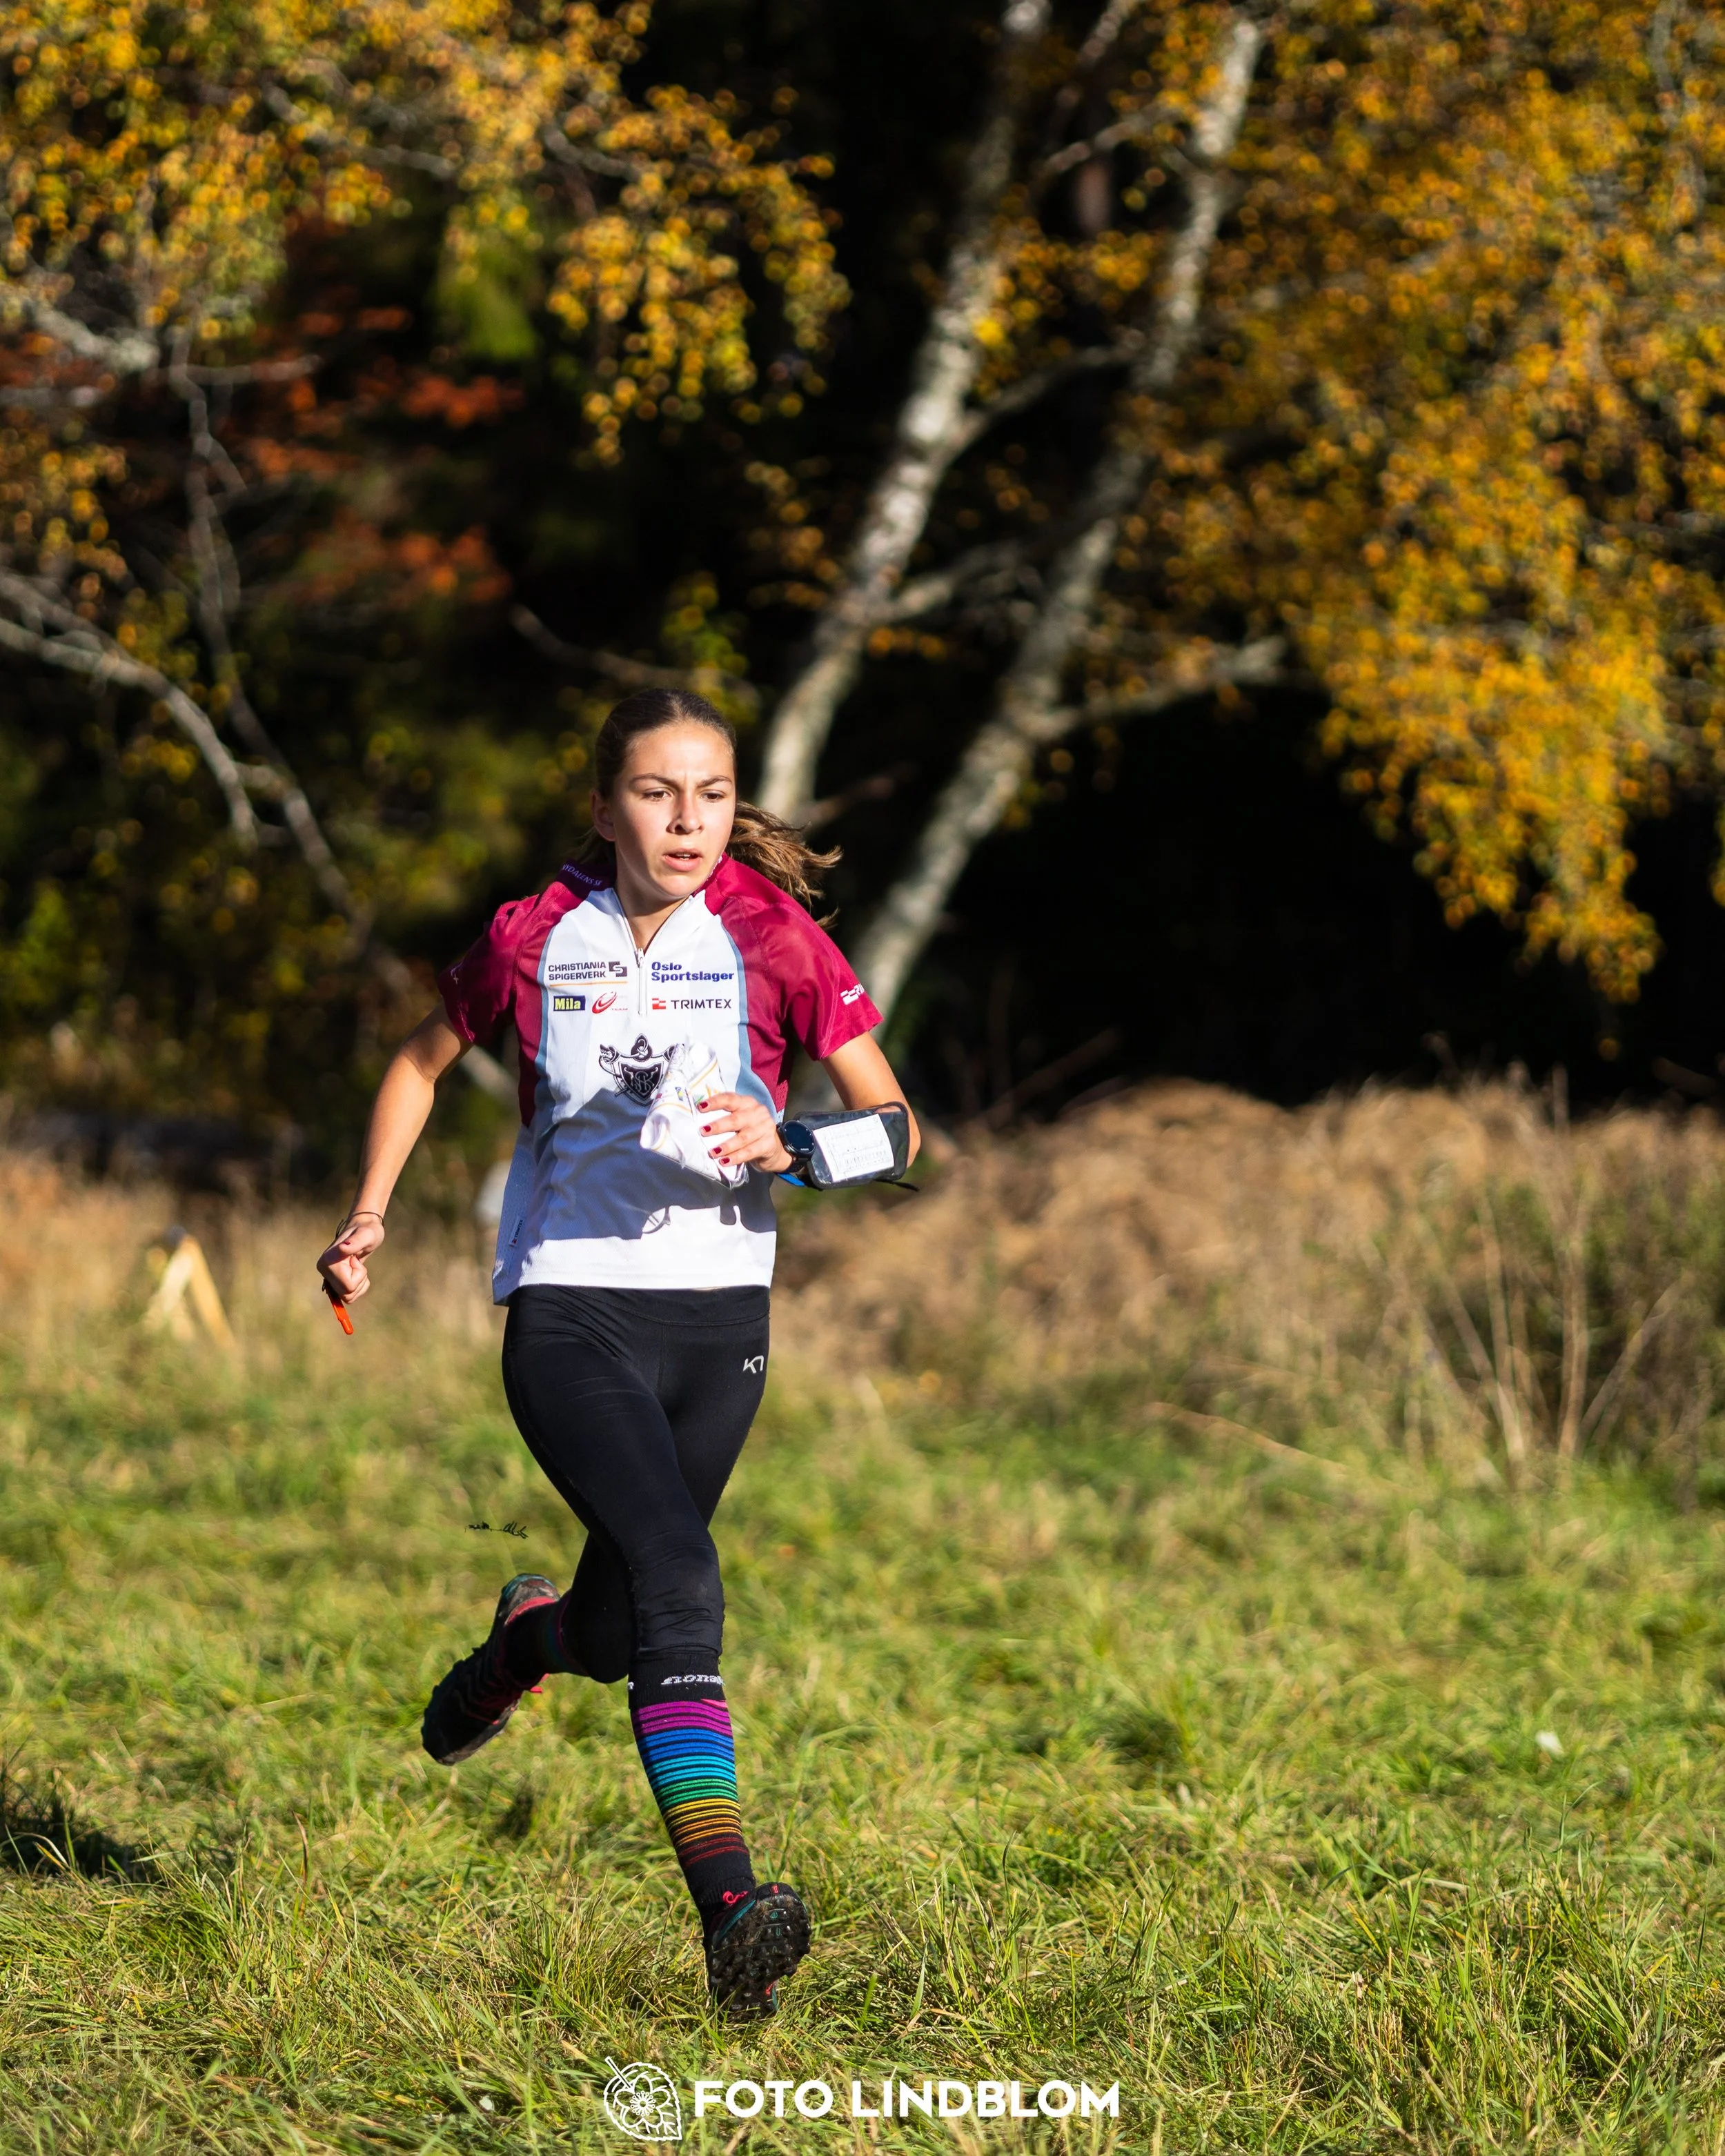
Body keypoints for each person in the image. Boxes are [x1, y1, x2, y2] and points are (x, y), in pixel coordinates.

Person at [315, 687, 918, 2019]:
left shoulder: (775, 937)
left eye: (711, 793)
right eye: (657, 793)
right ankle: (734, 1910)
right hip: (570, 1306)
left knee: (620, 1617)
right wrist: (368, 1214)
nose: (689, 819)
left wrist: (799, 1147)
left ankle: (529, 1642)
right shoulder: (535, 936)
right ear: (605, 807)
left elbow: (901, 1127)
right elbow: (420, 1067)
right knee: (683, 1573)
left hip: (721, 1323)